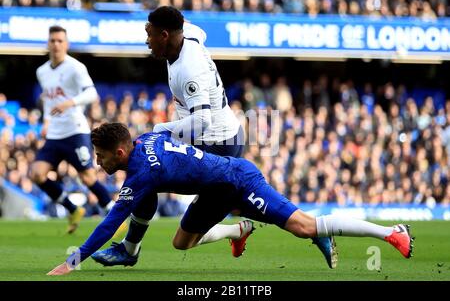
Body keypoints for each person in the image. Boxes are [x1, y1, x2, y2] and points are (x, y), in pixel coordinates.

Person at [47, 123, 414, 275]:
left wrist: (75, 260)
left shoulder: (144, 174)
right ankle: (239, 230)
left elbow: (112, 220)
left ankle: (391, 232)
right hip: (215, 188)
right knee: (181, 242)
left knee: (303, 225)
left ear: (122, 152)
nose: (98, 161)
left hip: (238, 180)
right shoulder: (147, 137)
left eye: (102, 155)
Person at [92, 6, 255, 266]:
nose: (146, 41)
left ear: (165, 35)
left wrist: (162, 129)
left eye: (149, 34)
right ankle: (130, 250)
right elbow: (196, 29)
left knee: (181, 231)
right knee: (152, 183)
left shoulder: (189, 69)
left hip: (219, 145)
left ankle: (312, 226)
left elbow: (203, 121)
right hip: (217, 138)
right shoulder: (187, 35)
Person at [30, 25, 116, 234]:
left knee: (87, 177)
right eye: (53, 40)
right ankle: (72, 208)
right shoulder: (42, 72)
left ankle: (115, 216)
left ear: (66, 44)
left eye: (60, 41)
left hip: (75, 131)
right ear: (48, 44)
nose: (56, 44)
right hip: (54, 134)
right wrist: (47, 121)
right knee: (36, 174)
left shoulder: (75, 67)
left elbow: (91, 94)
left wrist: (70, 103)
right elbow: (49, 102)